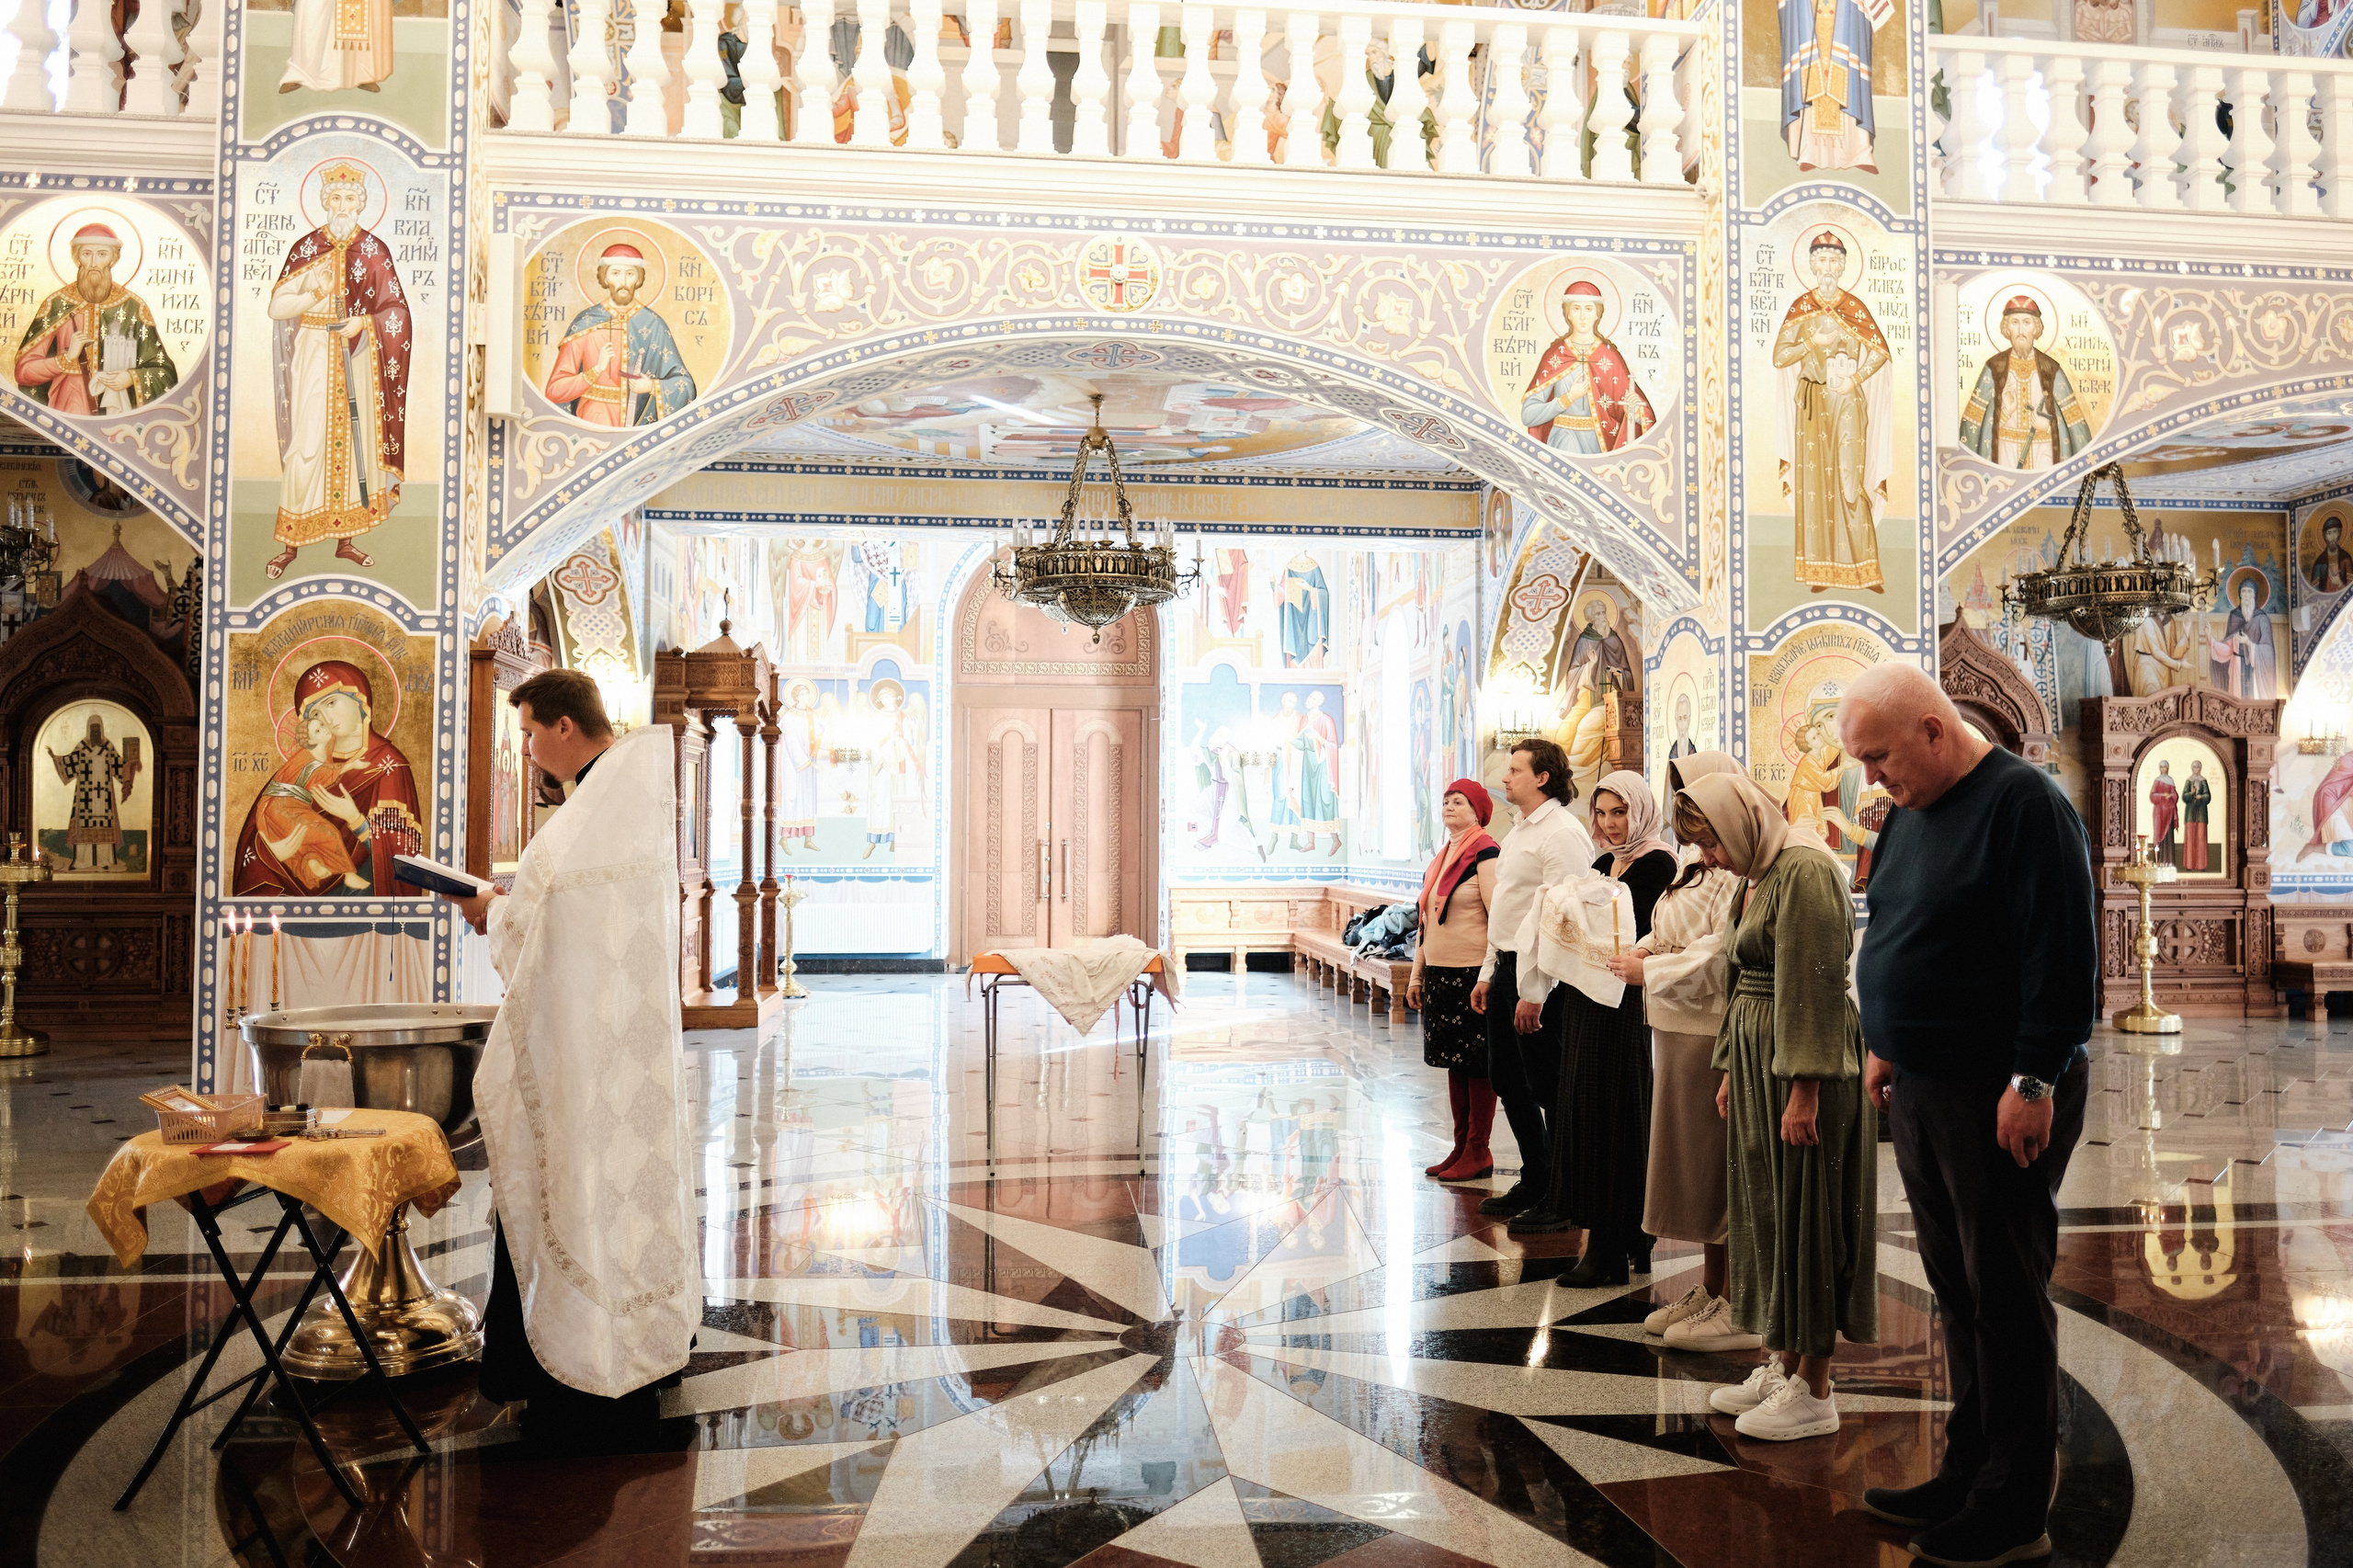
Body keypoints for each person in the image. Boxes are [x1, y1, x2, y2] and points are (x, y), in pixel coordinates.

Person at [1842, 663, 2096, 1568]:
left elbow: (2062, 954)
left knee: (2005, 1295)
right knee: (1957, 1293)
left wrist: (2034, 1077)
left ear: (1932, 729)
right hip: (1921, 1080)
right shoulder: (1912, 809)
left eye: (1878, 756)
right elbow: (1900, 924)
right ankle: (1965, 1469)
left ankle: (2013, 1502)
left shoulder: (2025, 804)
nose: (1872, 777)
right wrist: (1884, 1038)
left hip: (1996, 1088)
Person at [451, 668, 697, 1453]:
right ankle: (638, 1356)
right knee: (621, 1199)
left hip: (585, 1062)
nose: (524, 749)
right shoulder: (617, 802)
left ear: (563, 726)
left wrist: (491, 911)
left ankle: (575, 1382)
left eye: (527, 732)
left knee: (575, 1189)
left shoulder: (595, 811)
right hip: (622, 1054)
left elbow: (540, 925)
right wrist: (515, 900)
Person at [1674, 769, 1876, 1444]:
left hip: (1801, 1063)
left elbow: (1815, 983)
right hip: (1764, 1058)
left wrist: (1806, 1088)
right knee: (1769, 1211)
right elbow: (1744, 978)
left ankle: (1815, 1387)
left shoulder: (1806, 871)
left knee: (1808, 1213)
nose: (1709, 859)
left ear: (1742, 823)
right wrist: (1733, 1065)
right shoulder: (1761, 872)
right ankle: (1782, 1361)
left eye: (1711, 844)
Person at [1606, 752, 1757, 1352]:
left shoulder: (1734, 869)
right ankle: (1710, 1286)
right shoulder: (1695, 863)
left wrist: (1655, 969)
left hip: (1704, 1024)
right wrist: (1644, 951)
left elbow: (1718, 950)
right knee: (1692, 1171)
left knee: (1711, 1168)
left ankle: (1732, 1295)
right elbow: (1673, 931)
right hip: (1670, 1023)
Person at [1510, 771, 1677, 1280]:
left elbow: (1634, 927)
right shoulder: (1605, 862)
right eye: (1601, 813)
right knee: (1585, 1109)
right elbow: (1576, 921)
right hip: (1586, 998)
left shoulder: (1658, 863)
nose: (1608, 824)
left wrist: (1572, 904)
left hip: (1624, 1003)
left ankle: (1616, 1242)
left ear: (1641, 811)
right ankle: (1616, 1237)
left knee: (1616, 1114)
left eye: (1619, 812)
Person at [1471, 739, 1596, 1218]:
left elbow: (1563, 918)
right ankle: (1537, 1175)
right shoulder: (1521, 828)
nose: (1504, 777)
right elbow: (1507, 908)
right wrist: (1489, 971)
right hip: (1506, 969)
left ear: (1542, 777)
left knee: (1548, 1087)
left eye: (1515, 770)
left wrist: (1534, 992)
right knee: (1506, 1077)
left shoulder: (1561, 833)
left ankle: (1565, 1192)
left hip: (1538, 980)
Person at [1406, 780, 1502, 1183]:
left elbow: (1498, 917)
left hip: (1472, 975)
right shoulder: (1442, 857)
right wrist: (1417, 974)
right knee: (1453, 1063)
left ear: (1478, 810)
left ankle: (1479, 1149)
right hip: (1441, 975)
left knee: (1477, 1065)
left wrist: (1488, 974)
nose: (1448, 806)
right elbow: (1428, 922)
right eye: (1445, 800)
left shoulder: (1486, 853)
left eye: (1457, 801)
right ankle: (1461, 1145)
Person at [12, 224, 179, 415]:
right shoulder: (57, 304)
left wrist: (131, 377)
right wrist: (67, 358)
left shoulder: (133, 307)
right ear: (76, 258)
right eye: (86, 254)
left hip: (119, 408)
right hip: (68, 405)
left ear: (114, 259)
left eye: (102, 254)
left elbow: (164, 372)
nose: (93, 263)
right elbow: (24, 371)